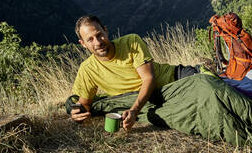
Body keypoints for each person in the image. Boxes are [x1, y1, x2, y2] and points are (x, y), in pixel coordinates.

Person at [68, 15, 199, 130]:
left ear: (106, 30)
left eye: (99, 35)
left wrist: (134, 110)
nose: (97, 42)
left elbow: (148, 79)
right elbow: (84, 103)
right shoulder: (87, 69)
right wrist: (77, 113)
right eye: (90, 39)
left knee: (204, 89)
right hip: (152, 99)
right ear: (83, 44)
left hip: (174, 78)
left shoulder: (131, 42)